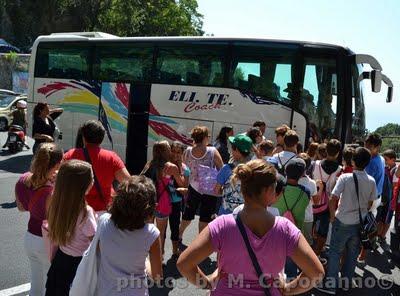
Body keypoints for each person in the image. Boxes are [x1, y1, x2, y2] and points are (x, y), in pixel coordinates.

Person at [177, 160, 324, 295]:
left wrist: (207, 283)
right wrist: (287, 289)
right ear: (268, 191)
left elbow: (184, 264)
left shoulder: (222, 225)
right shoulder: (285, 229)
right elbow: (316, 272)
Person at [316, 147, 377, 294]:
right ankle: (346, 283)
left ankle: (331, 285)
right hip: (359, 223)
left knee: (335, 253)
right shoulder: (371, 180)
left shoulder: (345, 177)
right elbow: (370, 203)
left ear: (352, 161)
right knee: (352, 253)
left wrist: (332, 216)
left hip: (342, 220)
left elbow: (333, 197)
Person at [96, 176, 162, 296]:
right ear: (151, 207)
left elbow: (99, 251)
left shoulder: (104, 221)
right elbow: (157, 277)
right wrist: (146, 262)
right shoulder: (152, 234)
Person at [14, 143, 63, 296]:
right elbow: (56, 219)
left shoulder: (23, 180)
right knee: (52, 285)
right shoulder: (52, 191)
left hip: (30, 238)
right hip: (47, 241)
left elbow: (21, 208)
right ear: (56, 164)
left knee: (36, 283)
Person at [45, 160, 97, 295]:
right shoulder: (85, 212)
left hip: (60, 260)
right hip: (78, 264)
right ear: (83, 185)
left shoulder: (57, 203)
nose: (93, 181)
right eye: (92, 178)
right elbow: (95, 242)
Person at [63, 120, 130, 212]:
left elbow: (59, 182)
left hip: (77, 210)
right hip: (103, 211)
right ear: (102, 137)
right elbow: (128, 182)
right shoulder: (111, 157)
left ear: (84, 137)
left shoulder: (70, 155)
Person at [142, 141, 185, 259]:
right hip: (163, 202)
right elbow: (181, 183)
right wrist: (180, 166)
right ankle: (159, 257)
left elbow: (141, 180)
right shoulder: (171, 167)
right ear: (165, 151)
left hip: (150, 201)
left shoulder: (149, 164)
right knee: (160, 233)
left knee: (149, 230)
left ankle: (147, 256)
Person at [180, 126, 223, 239]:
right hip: (210, 190)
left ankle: (179, 234)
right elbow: (222, 169)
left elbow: (184, 170)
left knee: (187, 215)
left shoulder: (188, 151)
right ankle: (200, 241)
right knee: (205, 217)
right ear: (205, 138)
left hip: (193, 188)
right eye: (208, 136)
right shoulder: (212, 151)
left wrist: (185, 186)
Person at [272, 158, 311, 279]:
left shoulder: (276, 189)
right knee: (290, 266)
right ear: (302, 174)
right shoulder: (306, 192)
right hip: (295, 233)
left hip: (275, 232)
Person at [312, 139, 342, 258]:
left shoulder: (316, 164)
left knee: (310, 226)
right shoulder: (340, 169)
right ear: (338, 153)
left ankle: (308, 251)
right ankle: (318, 253)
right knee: (323, 231)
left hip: (313, 200)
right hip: (328, 204)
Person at [358, 133, 385, 261]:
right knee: (368, 225)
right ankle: (363, 252)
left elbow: (366, 183)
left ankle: (361, 253)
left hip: (369, 199)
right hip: (376, 197)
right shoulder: (380, 159)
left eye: (369, 146)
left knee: (363, 227)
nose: (366, 148)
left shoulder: (371, 163)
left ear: (377, 147)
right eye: (365, 145)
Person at [214, 134, 253, 214]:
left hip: (226, 214)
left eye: (232, 148)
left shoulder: (226, 169)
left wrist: (226, 191)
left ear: (237, 150)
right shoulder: (254, 170)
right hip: (246, 215)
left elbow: (216, 190)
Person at [169, 141, 190, 257]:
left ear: (182, 154)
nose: (175, 155)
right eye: (173, 151)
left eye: (178, 152)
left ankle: (174, 250)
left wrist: (178, 173)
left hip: (176, 202)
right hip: (163, 201)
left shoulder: (185, 169)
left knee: (175, 227)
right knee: (161, 229)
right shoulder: (165, 165)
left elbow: (185, 187)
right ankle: (160, 253)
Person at [298, 153, 323, 246]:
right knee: (306, 243)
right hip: (307, 217)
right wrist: (320, 188)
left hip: (291, 216)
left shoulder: (289, 179)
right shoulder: (311, 183)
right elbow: (316, 202)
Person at [376, 149, 398, 245]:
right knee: (381, 218)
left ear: (393, 160)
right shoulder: (386, 168)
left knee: (387, 219)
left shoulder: (395, 170)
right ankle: (378, 235)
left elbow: (394, 186)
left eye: (386, 159)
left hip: (391, 199)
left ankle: (382, 235)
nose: (384, 161)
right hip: (384, 198)